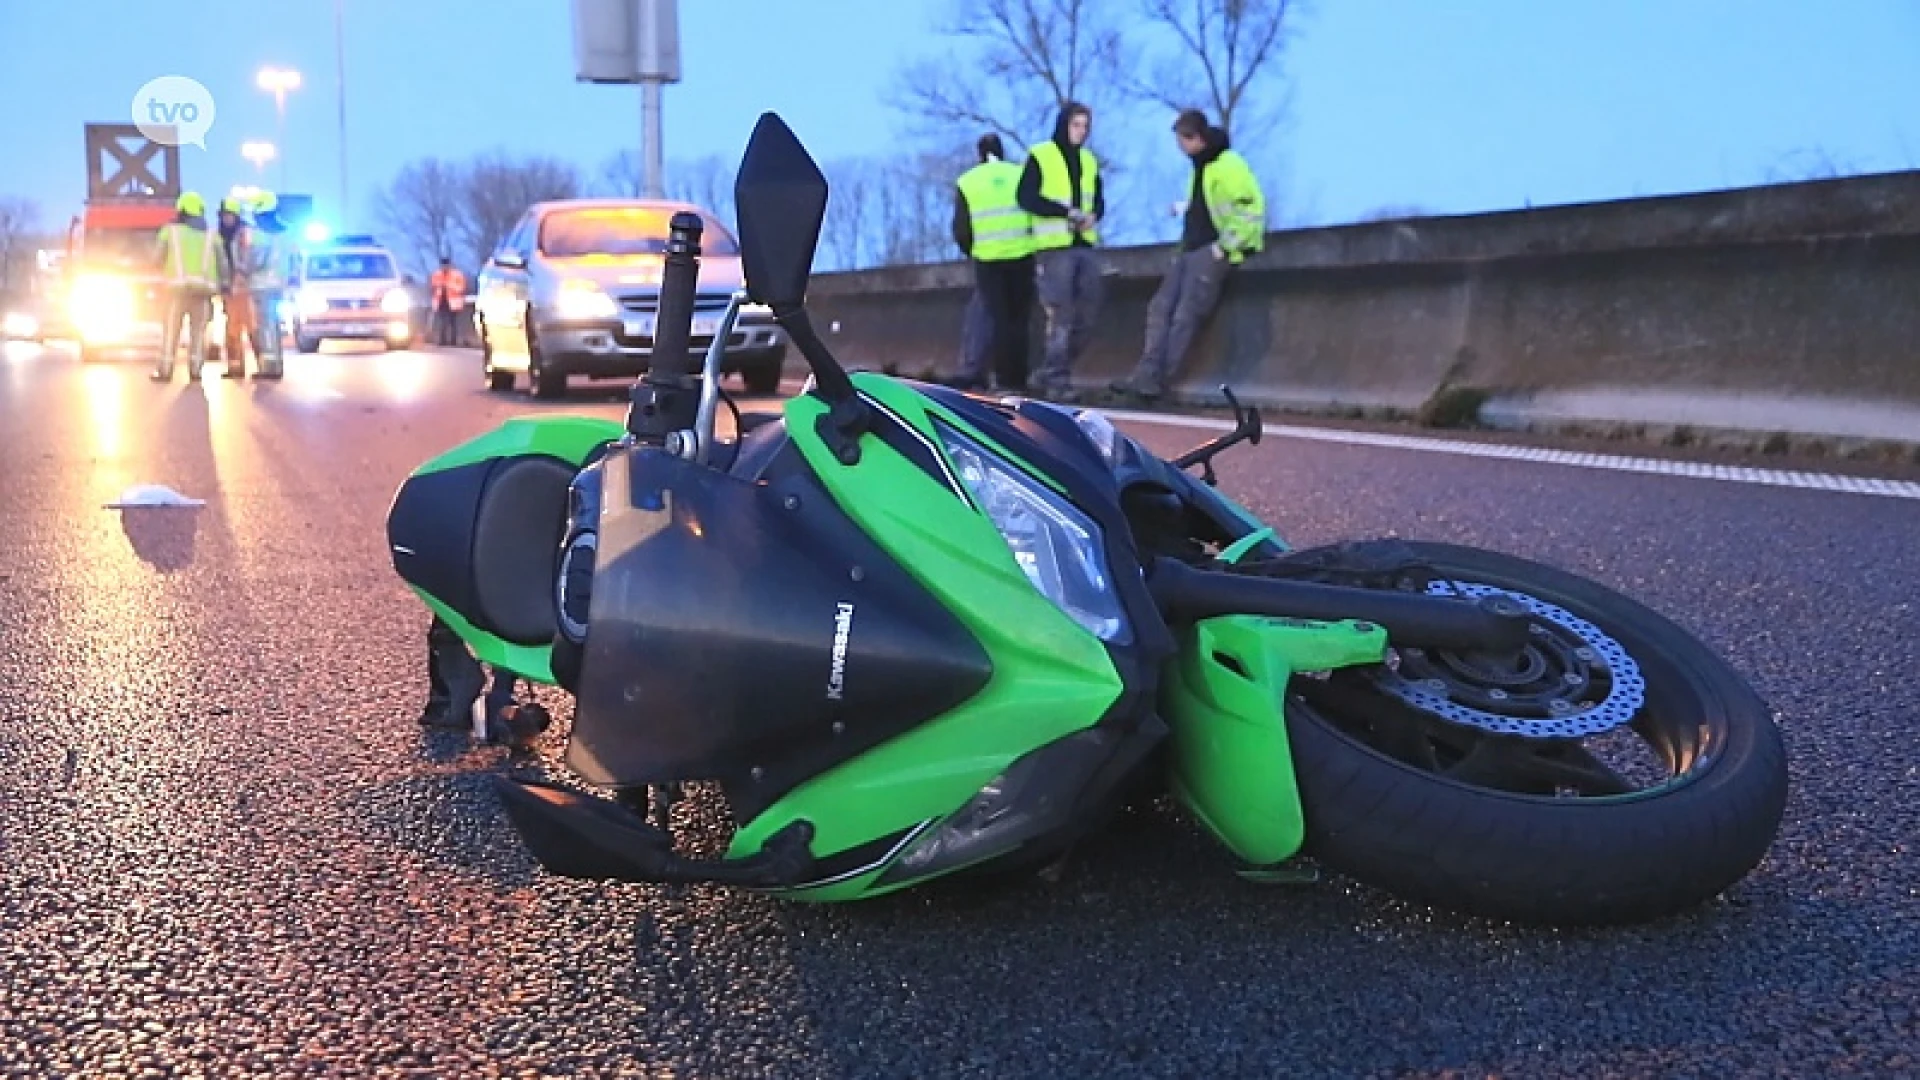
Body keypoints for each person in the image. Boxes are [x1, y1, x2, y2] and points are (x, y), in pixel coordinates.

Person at [1110, 109, 1267, 401]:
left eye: (1182, 140)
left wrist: (1224, 247)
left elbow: (1249, 211)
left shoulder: (1226, 165)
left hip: (1209, 252)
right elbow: (1208, 207)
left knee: (1185, 315)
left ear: (1195, 138)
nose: (1180, 148)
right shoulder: (1203, 167)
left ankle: (1159, 380)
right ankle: (1145, 375)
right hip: (1191, 251)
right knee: (1160, 308)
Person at [1017, 101, 1104, 402]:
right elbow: (1026, 197)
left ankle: (1050, 370)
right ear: (1063, 124)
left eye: (1085, 126)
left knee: (1088, 315)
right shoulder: (1041, 155)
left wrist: (1092, 216)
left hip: (1084, 244)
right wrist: (1063, 213)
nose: (1081, 132)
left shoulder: (1090, 161)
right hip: (1054, 247)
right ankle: (1057, 380)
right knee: (1060, 315)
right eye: (1076, 125)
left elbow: (1099, 200)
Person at [948, 133, 1036, 392]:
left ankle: (999, 378)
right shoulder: (1019, 174)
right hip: (1022, 254)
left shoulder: (968, 181)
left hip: (988, 259)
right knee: (1019, 320)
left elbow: (961, 228)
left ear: (979, 153)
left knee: (997, 319)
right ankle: (1018, 378)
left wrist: (972, 250)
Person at [151, 191, 226, 382]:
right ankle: (195, 369)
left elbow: (156, 258)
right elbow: (223, 262)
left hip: (176, 290)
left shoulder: (170, 231)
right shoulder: (212, 235)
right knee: (198, 331)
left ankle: (166, 369)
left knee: (171, 331)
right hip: (203, 292)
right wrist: (225, 284)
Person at [241, 192, 290, 379]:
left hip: (262, 285)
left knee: (265, 325)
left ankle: (268, 367)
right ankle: (276, 363)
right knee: (274, 325)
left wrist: (242, 269)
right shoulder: (285, 232)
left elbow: (256, 260)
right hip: (278, 285)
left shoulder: (260, 234)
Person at [216, 196, 260, 378]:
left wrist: (241, 276)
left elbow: (247, 259)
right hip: (230, 289)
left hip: (244, 289)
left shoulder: (243, 235)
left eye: (230, 216)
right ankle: (235, 366)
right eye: (225, 216)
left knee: (251, 326)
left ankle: (262, 363)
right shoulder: (219, 237)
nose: (227, 219)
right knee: (232, 328)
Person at [429, 257, 467, 347]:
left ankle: (453, 341)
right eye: (443, 266)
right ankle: (443, 340)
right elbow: (433, 286)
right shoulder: (437, 274)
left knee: (453, 322)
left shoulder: (457, 275)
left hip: (453, 303)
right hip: (441, 301)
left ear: (449, 265)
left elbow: (461, 288)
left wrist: (449, 286)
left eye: (446, 265)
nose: (444, 267)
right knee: (443, 321)